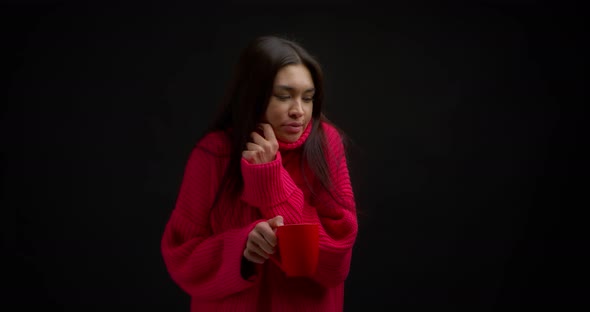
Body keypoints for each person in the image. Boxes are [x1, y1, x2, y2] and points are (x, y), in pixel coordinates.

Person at [160, 35, 358, 311]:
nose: (298, 111)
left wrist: (271, 184)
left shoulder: (325, 144)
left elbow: (335, 260)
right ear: (253, 95)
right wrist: (241, 249)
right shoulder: (214, 153)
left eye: (308, 98)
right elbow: (181, 255)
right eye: (283, 96)